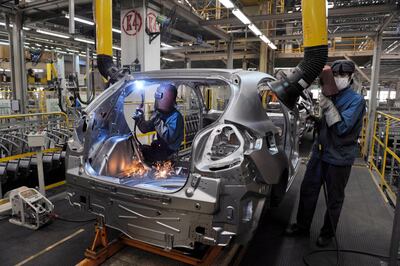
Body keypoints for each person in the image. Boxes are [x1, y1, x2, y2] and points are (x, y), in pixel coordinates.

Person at [285, 60, 366, 247]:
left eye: (342, 76)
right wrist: (316, 117)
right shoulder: (330, 93)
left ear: (351, 77)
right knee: (308, 190)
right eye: (335, 76)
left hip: (339, 157)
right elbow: (326, 123)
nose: (338, 79)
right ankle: (302, 226)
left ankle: (327, 234)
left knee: (334, 198)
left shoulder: (356, 100)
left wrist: (328, 107)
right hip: (319, 153)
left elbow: (342, 128)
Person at [133, 83, 184, 163]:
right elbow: (145, 129)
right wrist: (139, 118)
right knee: (140, 150)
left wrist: (157, 120)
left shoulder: (176, 116)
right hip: (161, 148)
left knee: (145, 155)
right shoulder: (159, 114)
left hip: (170, 152)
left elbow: (168, 137)